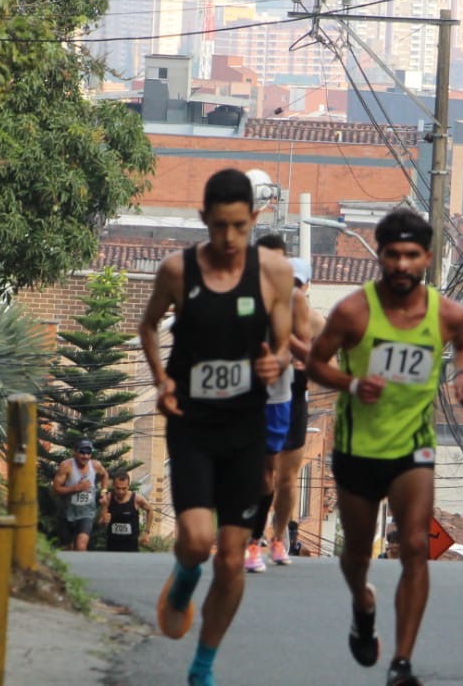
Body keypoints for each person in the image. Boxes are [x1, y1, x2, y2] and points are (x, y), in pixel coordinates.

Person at [306, 209, 463, 686]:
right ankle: (363, 603)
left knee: (416, 548)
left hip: (414, 448)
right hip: (359, 449)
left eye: (411, 255)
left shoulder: (446, 313)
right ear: (380, 256)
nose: (402, 264)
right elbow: (315, 364)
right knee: (356, 552)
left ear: (426, 258)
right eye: (393, 255)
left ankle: (401, 662)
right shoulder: (353, 311)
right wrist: (351, 382)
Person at [138, 167, 293, 686]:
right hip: (193, 424)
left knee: (230, 559)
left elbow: (286, 343)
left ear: (253, 219)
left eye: (238, 227)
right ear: (203, 219)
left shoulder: (272, 271)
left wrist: (278, 363)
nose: (228, 239)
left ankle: (203, 663)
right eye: (219, 226)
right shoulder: (177, 271)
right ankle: (183, 576)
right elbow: (147, 325)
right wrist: (161, 380)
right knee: (195, 539)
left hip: (245, 426)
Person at [242, 236, 317, 572]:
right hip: (242, 392)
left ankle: (276, 536)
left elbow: (305, 344)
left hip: (285, 394)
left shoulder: (296, 302)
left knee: (282, 477)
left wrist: (288, 358)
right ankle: (248, 538)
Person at [50, 439, 107, 552]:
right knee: (67, 548)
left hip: (86, 513)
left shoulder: (95, 465)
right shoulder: (66, 466)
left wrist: (104, 491)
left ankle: (82, 569)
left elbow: (105, 475)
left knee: (81, 546)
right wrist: (75, 488)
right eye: (82, 452)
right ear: (74, 452)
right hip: (66, 513)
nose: (85, 456)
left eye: (88, 453)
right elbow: (56, 489)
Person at [98, 471, 151, 551]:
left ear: (128, 486)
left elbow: (150, 510)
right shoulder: (108, 498)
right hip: (112, 545)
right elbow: (100, 523)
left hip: (131, 546)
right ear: (113, 486)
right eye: (118, 488)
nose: (120, 492)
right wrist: (104, 521)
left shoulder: (136, 499)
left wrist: (146, 532)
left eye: (124, 488)